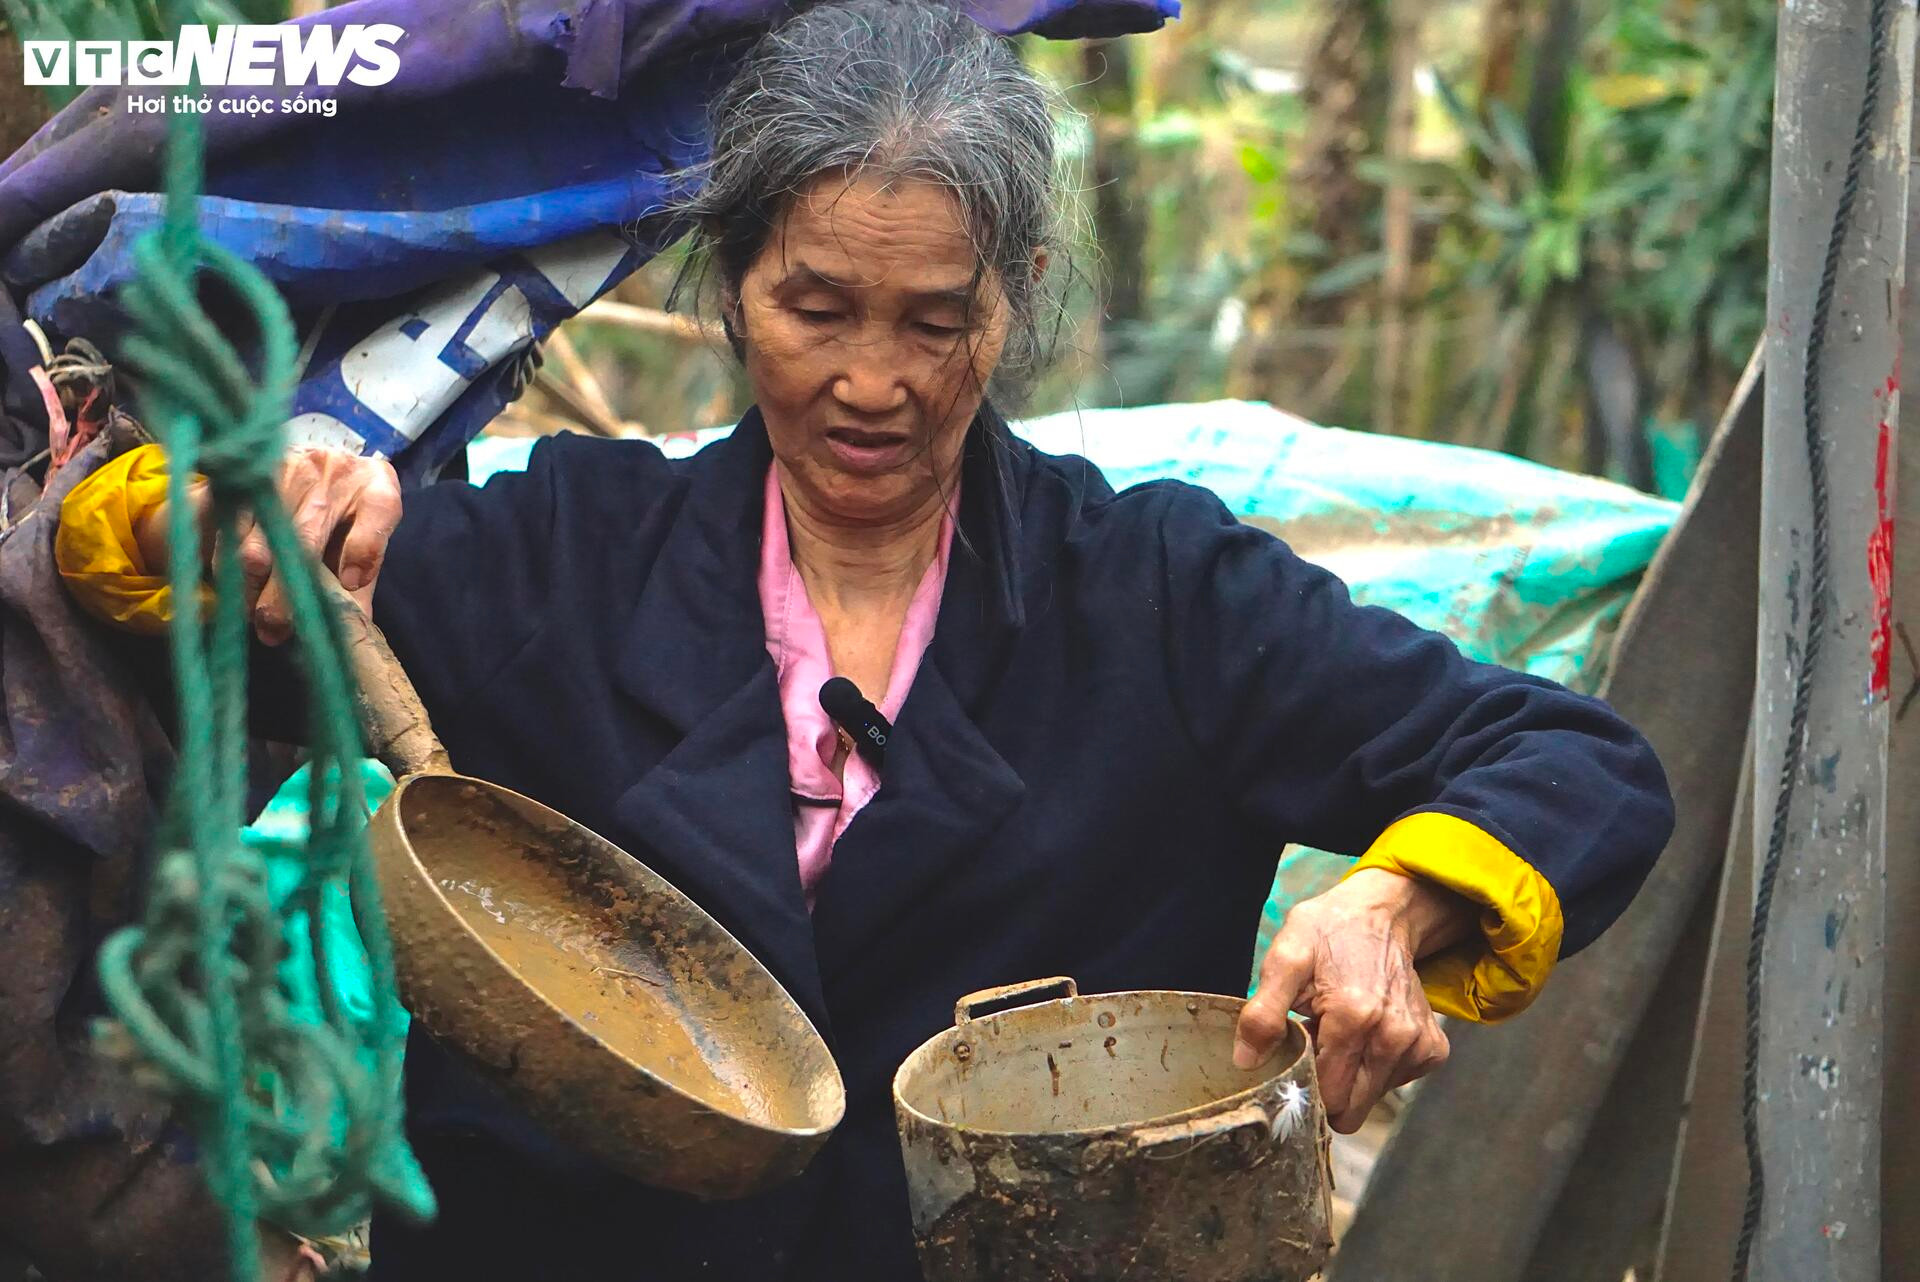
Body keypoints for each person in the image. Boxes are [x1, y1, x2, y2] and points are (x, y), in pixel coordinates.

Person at [53, 0, 1674, 1275]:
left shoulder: (1158, 594)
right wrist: (235, 506)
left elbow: (1573, 759)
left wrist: (1396, 899)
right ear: (730, 280)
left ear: (1017, 293)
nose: (873, 383)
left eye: (936, 320)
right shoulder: (563, 558)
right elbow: (155, 595)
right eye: (815, 307)